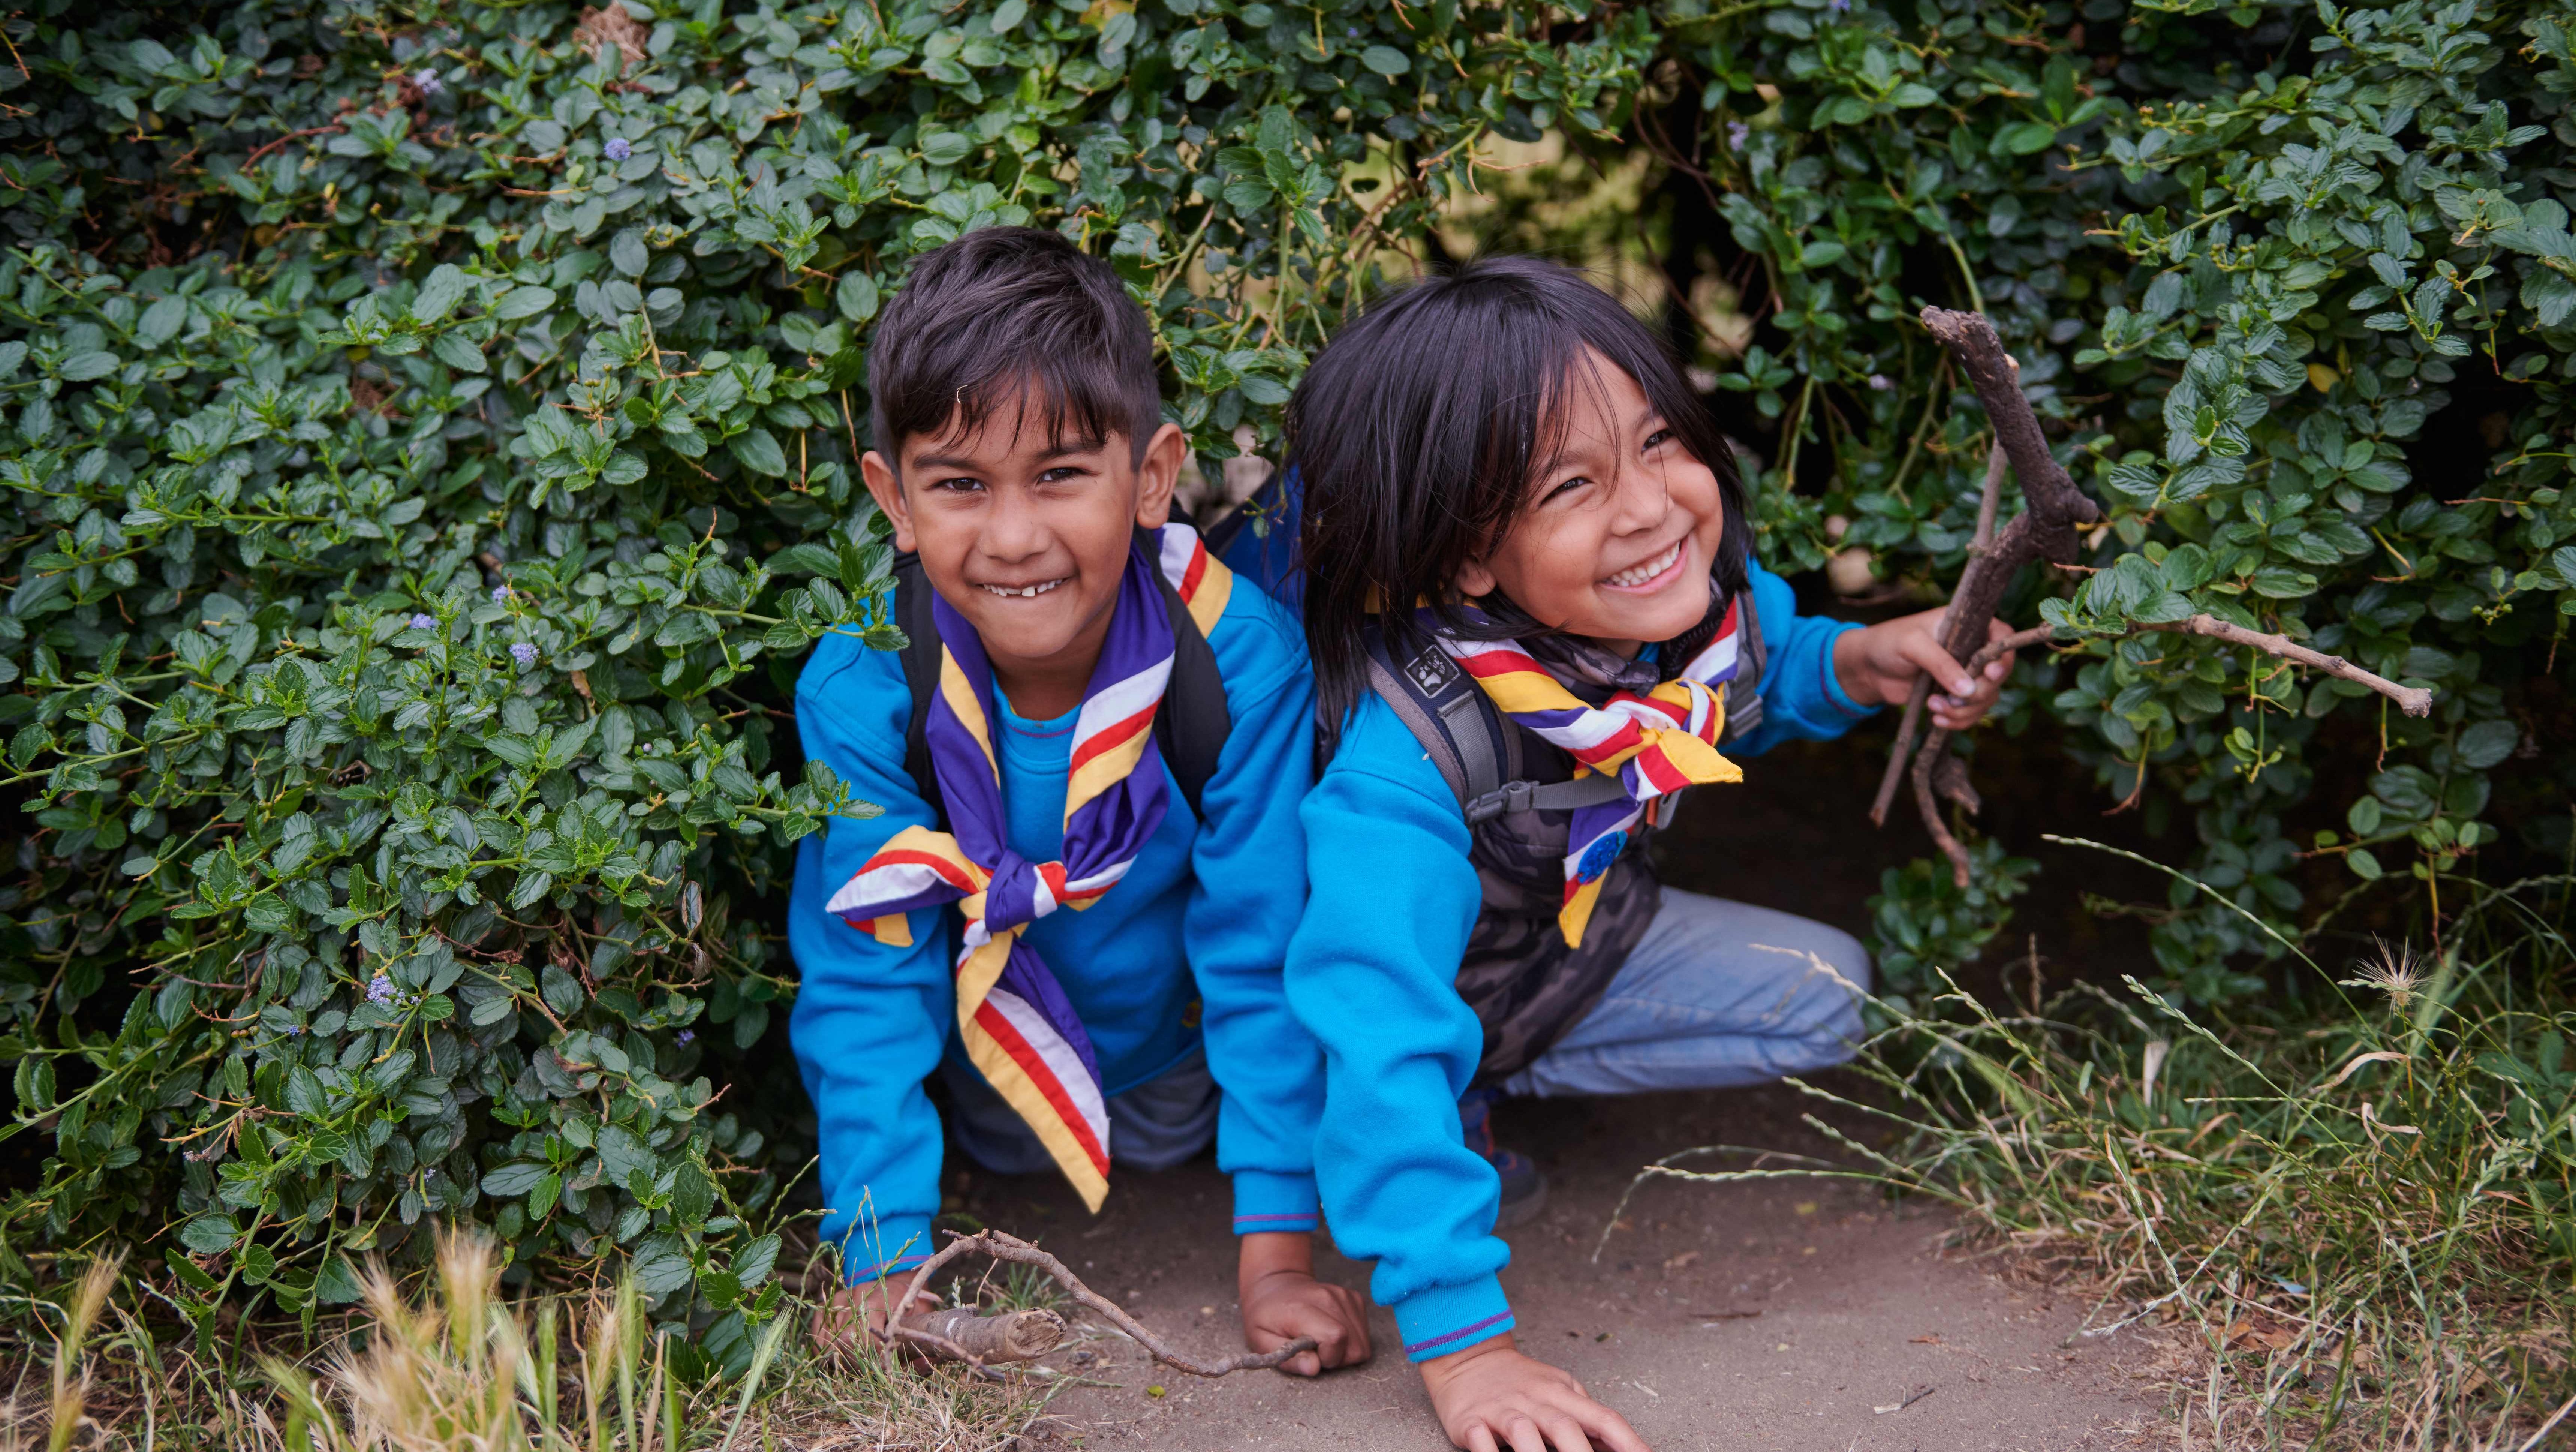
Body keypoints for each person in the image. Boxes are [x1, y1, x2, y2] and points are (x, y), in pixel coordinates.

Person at [1277, 257, 2015, 1451]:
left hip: (1573, 951)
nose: (1652, 508)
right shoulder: (1404, 763)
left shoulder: (1691, 615)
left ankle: (1492, 1082)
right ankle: (1425, 1126)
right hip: (1408, 1005)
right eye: (1572, 483)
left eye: (1660, 439)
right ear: (1467, 556)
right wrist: (1470, 1352)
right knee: (1388, 1071)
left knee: (1826, 995)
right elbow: (1374, 1021)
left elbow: (1764, 664)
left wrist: (1865, 661)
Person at [787, 226, 1369, 1376]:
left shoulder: (1237, 661)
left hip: (1177, 1072)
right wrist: (883, 1255)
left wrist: (1280, 1260)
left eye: (1060, 473)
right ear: (893, 499)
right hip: (990, 1084)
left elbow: (1263, 950)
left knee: (1198, 1106)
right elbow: (865, 977)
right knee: (1006, 1152)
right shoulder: (864, 685)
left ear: (1152, 478)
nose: (1013, 536)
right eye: (958, 484)